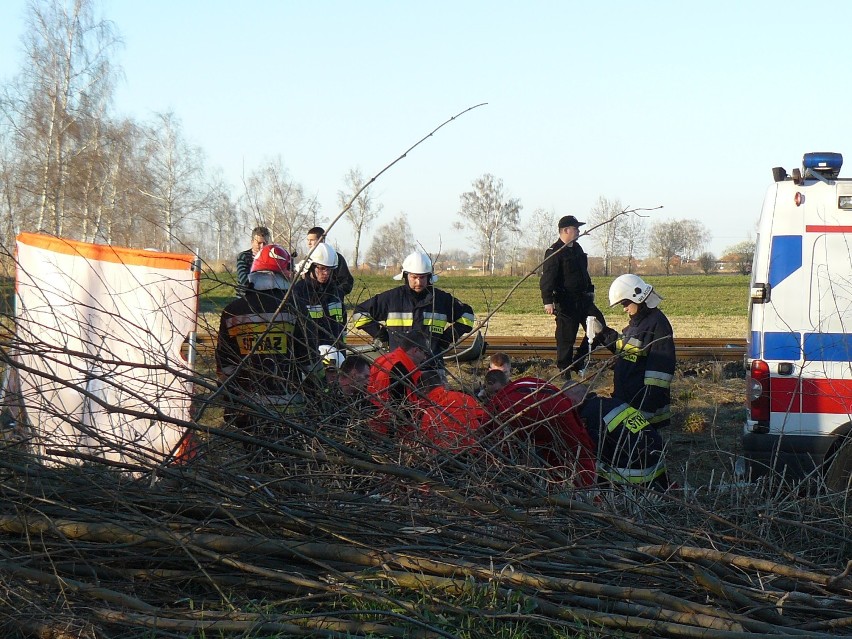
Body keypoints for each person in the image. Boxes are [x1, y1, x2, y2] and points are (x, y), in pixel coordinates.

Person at [216, 244, 317, 464]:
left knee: (255, 470)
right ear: (285, 273)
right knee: (290, 471)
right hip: (290, 413)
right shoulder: (295, 309)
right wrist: (320, 395)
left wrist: (232, 404)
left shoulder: (232, 311)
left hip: (247, 412)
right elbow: (309, 362)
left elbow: (225, 366)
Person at [352, 251, 476, 362]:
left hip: (432, 366)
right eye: (414, 277)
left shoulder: (441, 300)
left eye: (422, 277)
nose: (419, 282)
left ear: (429, 277)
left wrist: (448, 338)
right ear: (406, 276)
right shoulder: (392, 298)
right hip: (398, 368)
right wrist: (379, 334)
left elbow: (468, 315)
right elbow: (359, 313)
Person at [482, 370, 596, 488]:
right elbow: (582, 441)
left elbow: (486, 430)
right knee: (580, 452)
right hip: (559, 406)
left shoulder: (502, 398)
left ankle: (507, 486)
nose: (494, 395)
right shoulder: (527, 382)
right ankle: (587, 492)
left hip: (517, 409)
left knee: (504, 450)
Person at [589, 273, 675, 429]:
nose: (624, 309)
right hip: (630, 396)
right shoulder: (639, 324)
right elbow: (625, 349)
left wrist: (647, 404)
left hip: (643, 402)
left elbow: (660, 372)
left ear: (638, 298)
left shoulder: (657, 324)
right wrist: (602, 332)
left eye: (625, 303)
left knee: (644, 445)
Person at [563, 382, 670, 490]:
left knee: (593, 467)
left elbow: (596, 454)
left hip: (636, 476)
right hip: (658, 467)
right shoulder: (613, 403)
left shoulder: (590, 415)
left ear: (573, 401)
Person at [539, 215, 606, 380]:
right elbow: (547, 279)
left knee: (599, 327)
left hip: (584, 301)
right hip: (566, 302)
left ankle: (578, 363)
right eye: (576, 228)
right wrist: (548, 301)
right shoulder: (554, 252)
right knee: (566, 338)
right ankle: (564, 371)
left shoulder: (577, 250)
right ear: (566, 230)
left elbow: (584, 274)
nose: (578, 231)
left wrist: (590, 291)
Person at [366, 330, 431, 436]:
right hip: (390, 431)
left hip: (373, 425)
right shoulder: (401, 370)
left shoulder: (383, 359)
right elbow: (403, 410)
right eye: (425, 353)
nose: (425, 358)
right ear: (415, 350)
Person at [291, 242, 347, 361]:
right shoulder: (299, 292)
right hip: (311, 357)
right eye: (321, 268)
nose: (326, 273)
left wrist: (342, 355)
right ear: (310, 267)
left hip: (336, 355)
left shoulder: (336, 293)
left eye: (329, 269)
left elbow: (342, 326)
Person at [416, 370, 485, 452]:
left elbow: (424, 442)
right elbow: (485, 419)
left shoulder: (427, 414)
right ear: (442, 383)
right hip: (475, 451)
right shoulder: (465, 397)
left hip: (445, 457)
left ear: (424, 389)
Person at [304, 226, 354, 296]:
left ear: (322, 240)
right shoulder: (307, 259)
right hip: (311, 300)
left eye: (312, 240)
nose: (309, 243)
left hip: (333, 302)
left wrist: (335, 294)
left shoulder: (335, 257)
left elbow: (347, 281)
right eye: (308, 240)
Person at [235, 226, 271, 295]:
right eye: (259, 243)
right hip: (245, 297)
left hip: (266, 297)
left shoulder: (271, 258)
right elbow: (244, 280)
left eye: (265, 243)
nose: (262, 246)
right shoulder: (243, 256)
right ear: (252, 242)